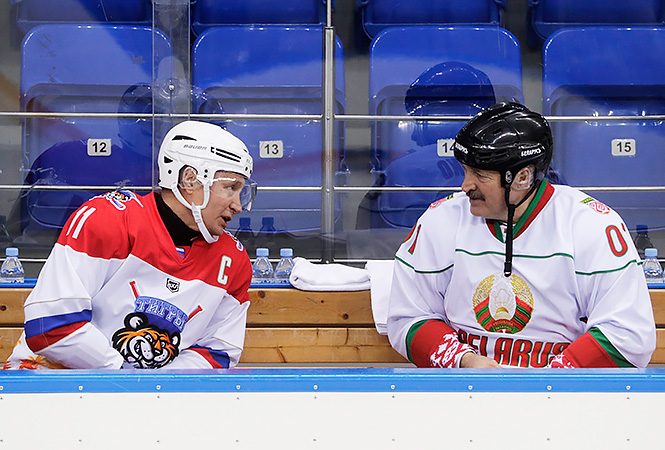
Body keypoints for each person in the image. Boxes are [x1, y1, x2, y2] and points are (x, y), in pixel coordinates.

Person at [387, 102, 656, 369]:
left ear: (522, 177)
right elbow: (409, 315)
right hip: (465, 393)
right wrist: (464, 362)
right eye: (466, 171)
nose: (465, 185)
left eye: (480, 175)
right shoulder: (440, 220)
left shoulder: (591, 226)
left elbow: (628, 334)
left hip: (564, 401)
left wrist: (550, 384)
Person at [4, 120, 258, 370]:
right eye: (230, 188)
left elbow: (217, 352)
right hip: (48, 386)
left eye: (242, 191)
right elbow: (51, 326)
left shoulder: (233, 261)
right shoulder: (106, 220)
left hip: (151, 400)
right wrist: (128, 379)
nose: (238, 205)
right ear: (190, 179)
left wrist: (155, 389)